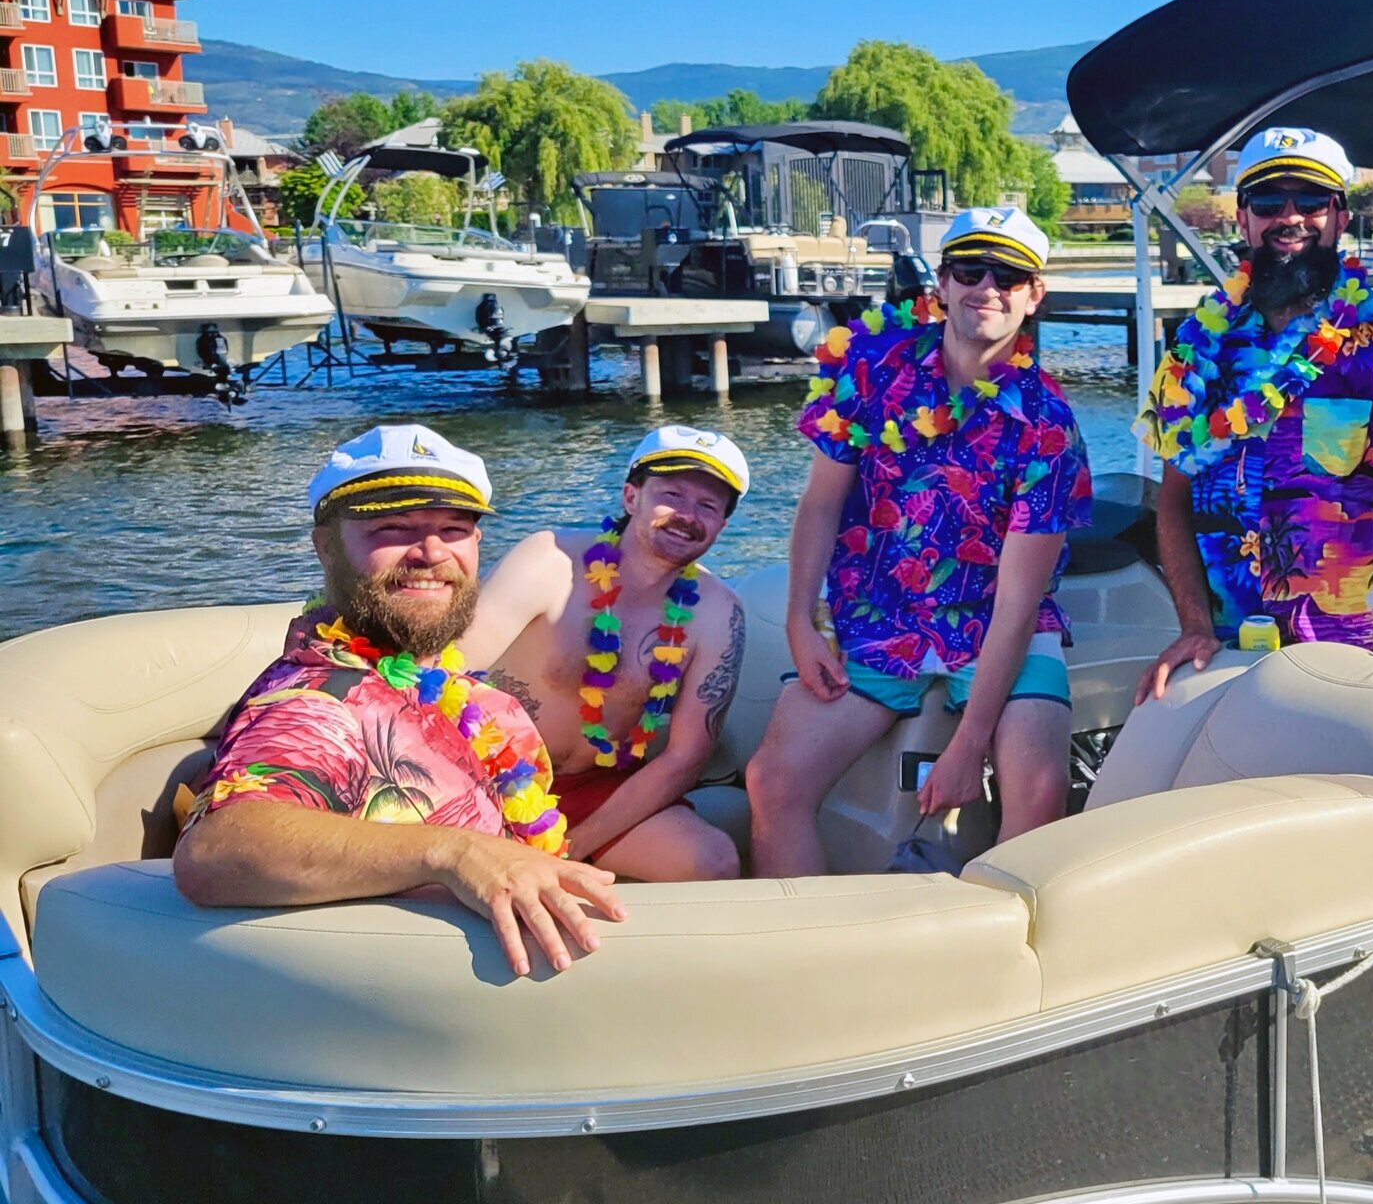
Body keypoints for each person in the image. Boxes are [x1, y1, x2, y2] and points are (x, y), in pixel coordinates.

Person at [171, 425, 624, 978]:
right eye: (392, 528)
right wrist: (453, 854)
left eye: (454, 529)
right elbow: (215, 852)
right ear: (326, 545)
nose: (431, 552)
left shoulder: (459, 691)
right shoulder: (320, 699)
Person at [748, 207, 1091, 875]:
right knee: (771, 780)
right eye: (970, 269)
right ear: (941, 283)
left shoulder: (1048, 424)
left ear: (1034, 294)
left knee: (1040, 790)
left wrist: (970, 742)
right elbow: (821, 504)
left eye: (1010, 274)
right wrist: (799, 621)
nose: (987, 286)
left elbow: (1019, 603)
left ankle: (1006, 961)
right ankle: (810, 956)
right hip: (879, 618)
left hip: (996, 624)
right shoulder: (872, 367)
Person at [1135, 126, 1373, 700]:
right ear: (1243, 220)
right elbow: (1173, 499)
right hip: (1228, 658)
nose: (1291, 218)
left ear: (1339, 217)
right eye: (1268, 202)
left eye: (1311, 201)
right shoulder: (1193, 349)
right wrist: (1193, 627)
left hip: (1358, 660)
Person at [462, 427, 751, 881]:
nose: (687, 515)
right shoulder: (549, 560)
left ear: (722, 525)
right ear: (631, 496)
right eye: (672, 495)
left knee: (713, 861)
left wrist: (567, 851)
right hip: (492, 774)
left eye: (708, 506)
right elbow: (445, 669)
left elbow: (685, 758)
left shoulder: (718, 612)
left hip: (602, 789)